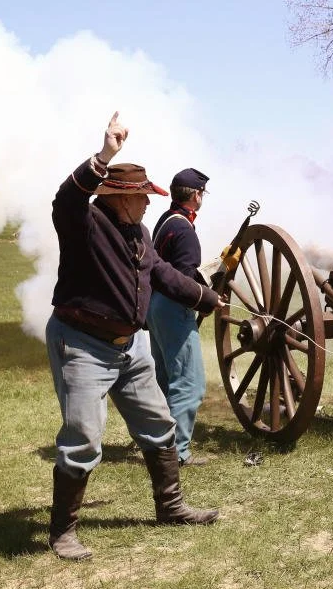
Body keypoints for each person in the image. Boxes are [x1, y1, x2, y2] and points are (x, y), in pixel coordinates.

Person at [45, 112, 224, 561]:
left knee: (159, 425)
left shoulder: (138, 230)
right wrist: (105, 156)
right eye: (143, 196)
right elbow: (65, 199)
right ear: (120, 198)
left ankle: (171, 507)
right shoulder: (83, 223)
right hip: (83, 345)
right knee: (84, 436)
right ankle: (62, 532)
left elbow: (163, 275)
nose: (149, 203)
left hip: (131, 347)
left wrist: (208, 298)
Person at [147, 167, 213, 467]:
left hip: (156, 306)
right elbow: (183, 280)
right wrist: (207, 296)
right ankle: (177, 453)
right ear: (196, 195)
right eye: (203, 193)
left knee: (165, 379)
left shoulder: (165, 220)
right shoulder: (185, 230)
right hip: (173, 308)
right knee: (190, 382)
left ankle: (158, 446)